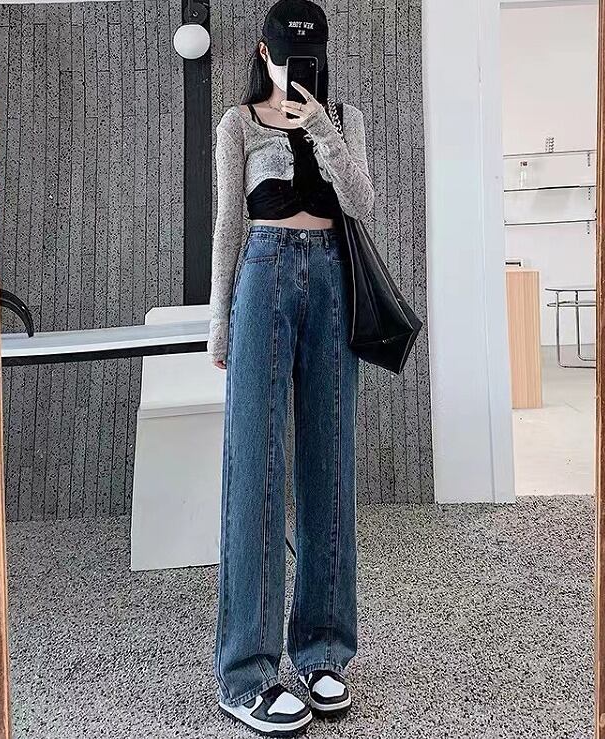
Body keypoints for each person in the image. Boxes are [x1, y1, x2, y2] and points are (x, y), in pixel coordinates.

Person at [207, 0, 374, 734]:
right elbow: (226, 226)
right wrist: (218, 322)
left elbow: (362, 204)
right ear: (262, 50)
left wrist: (321, 130)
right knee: (254, 468)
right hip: (263, 274)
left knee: (328, 465)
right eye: (281, 53)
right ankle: (245, 672)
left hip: (333, 281)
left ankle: (323, 650)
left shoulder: (344, 117)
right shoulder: (237, 124)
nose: (291, 65)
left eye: (304, 53)